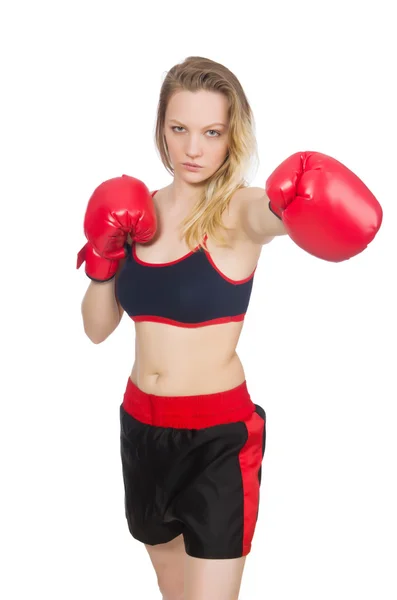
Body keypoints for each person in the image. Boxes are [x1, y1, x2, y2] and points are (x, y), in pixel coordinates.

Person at [77, 56, 382, 600]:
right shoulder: (135, 214)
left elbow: (275, 214)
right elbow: (97, 330)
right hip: (142, 430)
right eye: (180, 130)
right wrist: (102, 261)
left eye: (212, 132)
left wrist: (294, 202)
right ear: (162, 131)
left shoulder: (239, 212)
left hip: (217, 441)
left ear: (231, 136)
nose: (194, 149)